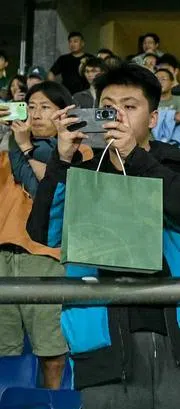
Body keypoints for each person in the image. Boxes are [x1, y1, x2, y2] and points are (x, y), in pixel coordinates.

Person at [28, 64, 180, 409]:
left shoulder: (176, 161)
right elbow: (44, 230)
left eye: (130, 106)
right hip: (106, 336)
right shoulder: (81, 168)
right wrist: (62, 159)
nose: (117, 115)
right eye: (108, 106)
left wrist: (133, 157)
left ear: (153, 118)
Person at [0, 82, 87, 390]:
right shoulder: (6, 152)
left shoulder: (79, 151)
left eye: (46, 107)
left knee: (52, 351)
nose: (35, 114)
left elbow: (45, 191)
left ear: (63, 113)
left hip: (45, 258)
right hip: (4, 257)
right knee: (4, 352)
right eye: (30, 106)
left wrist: (23, 147)